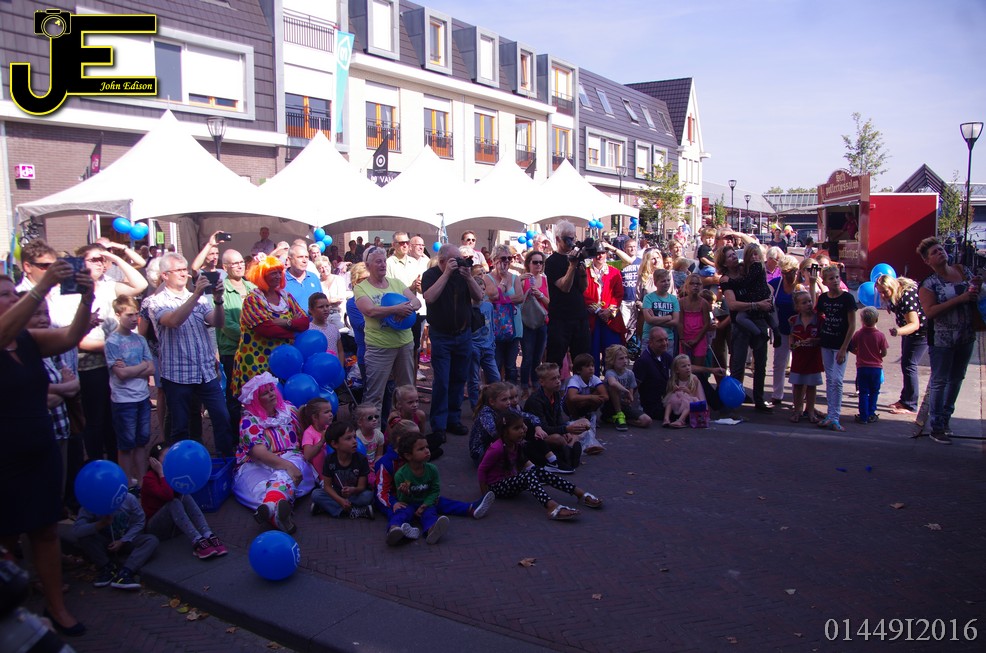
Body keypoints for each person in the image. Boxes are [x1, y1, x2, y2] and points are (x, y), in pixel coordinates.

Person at [1, 262, 94, 636]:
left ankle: (56, 608)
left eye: (14, 292)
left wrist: (87, 298)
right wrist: (41, 288)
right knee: (6, 539)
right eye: (4, 295)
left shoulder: (27, 339)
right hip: (4, 457)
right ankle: (12, 613)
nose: (13, 298)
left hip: (40, 449)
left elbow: (71, 336)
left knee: (46, 531)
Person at [146, 253, 234, 456]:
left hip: (205, 371)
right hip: (178, 374)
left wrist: (218, 300)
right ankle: (182, 466)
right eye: (178, 270)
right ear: (165, 275)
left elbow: (217, 322)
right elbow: (173, 321)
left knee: (222, 417)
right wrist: (195, 295)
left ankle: (226, 461)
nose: (184, 274)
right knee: (180, 426)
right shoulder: (157, 302)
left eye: (184, 269)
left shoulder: (200, 299)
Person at [74, 243, 148, 464]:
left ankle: (117, 467)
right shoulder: (74, 291)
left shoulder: (109, 286)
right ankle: (97, 464)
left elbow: (141, 284)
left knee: (113, 418)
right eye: (94, 259)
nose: (100, 263)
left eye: (102, 259)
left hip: (117, 361)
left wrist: (114, 257)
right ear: (81, 263)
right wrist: (113, 346)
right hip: (92, 364)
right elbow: (77, 338)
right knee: (95, 419)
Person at [477, 411, 602, 522]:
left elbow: (522, 462)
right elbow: (481, 470)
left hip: (510, 481)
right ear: (504, 432)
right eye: (516, 428)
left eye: (522, 427)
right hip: (497, 488)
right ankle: (551, 506)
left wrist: (535, 474)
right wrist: (485, 496)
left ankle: (579, 493)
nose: (522, 431)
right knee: (529, 475)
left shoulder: (516, 444)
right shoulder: (497, 448)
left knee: (539, 471)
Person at [916, 237, 981, 444]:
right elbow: (929, 312)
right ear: (927, 261)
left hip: (966, 335)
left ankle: (945, 419)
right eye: (934, 252)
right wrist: (960, 299)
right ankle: (936, 426)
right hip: (942, 340)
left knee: (957, 378)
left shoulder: (962, 270)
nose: (940, 253)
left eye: (940, 249)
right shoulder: (929, 284)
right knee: (940, 381)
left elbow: (974, 291)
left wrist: (976, 288)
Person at [233, 373, 316, 533]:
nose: (271, 394)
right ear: (255, 400)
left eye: (272, 389)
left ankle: (270, 507)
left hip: (291, 457)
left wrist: (289, 466)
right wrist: (288, 467)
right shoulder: (249, 421)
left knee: (284, 475)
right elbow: (259, 453)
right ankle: (277, 513)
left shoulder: (289, 410)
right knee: (257, 487)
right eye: (265, 393)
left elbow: (304, 434)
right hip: (257, 464)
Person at [423, 244, 484, 443]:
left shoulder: (463, 275)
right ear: (442, 261)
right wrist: (447, 274)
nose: (458, 263)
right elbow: (429, 297)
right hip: (441, 335)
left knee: (459, 378)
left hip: (463, 334)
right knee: (442, 380)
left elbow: (479, 297)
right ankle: (439, 425)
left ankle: (453, 419)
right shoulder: (431, 275)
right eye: (454, 260)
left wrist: (468, 277)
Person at [230, 255, 310, 398]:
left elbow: (304, 322)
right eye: (273, 273)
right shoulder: (252, 300)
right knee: (260, 401)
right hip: (257, 362)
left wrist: (285, 322)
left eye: (279, 272)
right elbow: (266, 329)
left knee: (283, 400)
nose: (278, 276)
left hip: (284, 361)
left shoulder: (286, 297)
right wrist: (293, 330)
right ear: (262, 275)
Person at [354, 246, 421, 407]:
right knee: (375, 394)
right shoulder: (361, 288)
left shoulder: (396, 283)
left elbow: (417, 302)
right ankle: (373, 424)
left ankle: (405, 422)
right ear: (368, 265)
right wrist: (396, 309)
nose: (383, 264)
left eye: (384, 261)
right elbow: (370, 310)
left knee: (406, 391)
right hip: (379, 347)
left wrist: (407, 308)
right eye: (378, 262)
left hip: (404, 343)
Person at [142, 443, 227, 559]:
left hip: (175, 525)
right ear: (154, 462)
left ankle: (207, 533)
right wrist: (161, 473)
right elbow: (167, 496)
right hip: (156, 529)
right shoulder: (149, 478)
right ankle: (196, 540)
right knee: (174, 502)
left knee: (184, 494)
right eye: (165, 457)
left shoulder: (174, 472)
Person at [105, 296, 154, 488]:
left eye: (136, 314)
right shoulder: (112, 341)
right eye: (129, 315)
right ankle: (125, 483)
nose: (134, 319)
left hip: (143, 397)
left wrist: (132, 368)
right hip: (123, 400)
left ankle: (142, 482)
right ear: (118, 315)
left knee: (141, 441)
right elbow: (121, 374)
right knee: (126, 444)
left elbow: (151, 368)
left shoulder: (140, 339)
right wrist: (141, 366)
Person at [719, 245, 772, 412]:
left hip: (759, 319)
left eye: (734, 254)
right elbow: (733, 305)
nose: (734, 257)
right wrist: (756, 304)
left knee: (760, 362)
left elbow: (766, 285)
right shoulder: (725, 279)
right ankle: (735, 400)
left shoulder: (747, 269)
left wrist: (767, 297)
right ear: (724, 263)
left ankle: (759, 399)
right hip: (740, 324)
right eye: (730, 256)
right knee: (738, 363)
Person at [73, 492, 158, 591]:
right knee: (84, 537)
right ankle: (106, 567)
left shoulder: (129, 498)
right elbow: (77, 530)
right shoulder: (90, 502)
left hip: (126, 540)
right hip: (103, 542)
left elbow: (139, 522)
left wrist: (123, 540)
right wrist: (100, 524)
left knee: (151, 540)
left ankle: (126, 572)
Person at [386, 430, 450, 545]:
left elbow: (435, 490)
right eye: (421, 449)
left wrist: (425, 504)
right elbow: (403, 500)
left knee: (430, 514)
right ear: (408, 455)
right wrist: (405, 493)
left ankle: (431, 531)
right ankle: (394, 529)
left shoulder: (432, 469)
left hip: (426, 502)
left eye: (427, 447)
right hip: (410, 504)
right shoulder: (401, 474)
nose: (427, 451)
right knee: (402, 513)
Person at [874, 275, 927, 414]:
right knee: (906, 364)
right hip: (909, 333)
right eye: (880, 292)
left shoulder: (906, 297)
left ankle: (910, 405)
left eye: (885, 291)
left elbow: (914, 324)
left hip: (920, 333)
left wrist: (898, 331)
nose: (882, 295)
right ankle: (905, 399)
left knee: (909, 365)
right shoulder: (896, 293)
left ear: (892, 287)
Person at [814, 265, 857, 432]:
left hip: (840, 344)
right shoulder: (824, 298)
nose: (835, 281)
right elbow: (816, 313)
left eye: (837, 277)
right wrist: (812, 284)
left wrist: (844, 347)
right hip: (826, 342)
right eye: (831, 278)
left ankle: (835, 416)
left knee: (837, 380)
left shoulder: (847, 298)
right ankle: (830, 414)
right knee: (830, 379)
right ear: (825, 281)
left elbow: (852, 325)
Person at [523, 362, 586, 471]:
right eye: (553, 379)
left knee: (583, 424)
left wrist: (566, 431)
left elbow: (558, 417)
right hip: (538, 436)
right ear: (542, 382)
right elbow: (543, 428)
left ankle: (569, 451)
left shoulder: (555, 394)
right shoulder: (535, 401)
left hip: (554, 429)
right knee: (558, 438)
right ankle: (568, 454)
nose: (558, 381)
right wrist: (565, 429)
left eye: (558, 377)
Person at [219, 249, 256, 432]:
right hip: (232, 352)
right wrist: (252, 334)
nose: (240, 265)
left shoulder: (252, 288)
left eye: (241, 261)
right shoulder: (221, 291)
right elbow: (226, 324)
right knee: (234, 396)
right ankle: (235, 436)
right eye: (235, 263)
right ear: (225, 267)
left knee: (255, 392)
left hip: (254, 351)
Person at [544, 219, 590, 367]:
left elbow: (583, 288)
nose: (572, 242)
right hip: (560, 318)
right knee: (555, 359)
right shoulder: (552, 262)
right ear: (558, 239)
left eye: (573, 238)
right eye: (568, 239)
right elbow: (564, 287)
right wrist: (571, 266)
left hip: (579, 316)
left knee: (582, 360)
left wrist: (582, 273)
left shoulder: (578, 259)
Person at [310, 421, 375, 519]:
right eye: (348, 438)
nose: (354, 441)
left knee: (368, 496)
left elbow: (361, 486)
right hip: (337, 493)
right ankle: (355, 511)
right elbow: (327, 486)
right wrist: (340, 500)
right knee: (316, 494)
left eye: (354, 437)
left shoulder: (361, 459)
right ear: (335, 444)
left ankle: (327, 507)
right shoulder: (329, 460)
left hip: (354, 494)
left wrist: (353, 490)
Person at [584, 245, 625, 375]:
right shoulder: (585, 272)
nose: (600, 256)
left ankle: (614, 380)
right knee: (592, 352)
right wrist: (598, 310)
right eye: (597, 253)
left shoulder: (615, 272)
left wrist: (608, 311)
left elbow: (619, 295)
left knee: (613, 352)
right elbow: (584, 294)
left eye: (602, 252)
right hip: (592, 318)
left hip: (610, 319)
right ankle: (593, 381)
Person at [768, 256, 801, 407]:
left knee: (798, 365)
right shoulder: (776, 283)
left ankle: (797, 396)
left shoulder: (800, 286)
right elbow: (766, 297)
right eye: (785, 272)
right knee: (779, 363)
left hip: (798, 331)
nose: (788, 276)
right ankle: (777, 394)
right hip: (781, 328)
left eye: (792, 272)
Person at [468, 262, 501, 413]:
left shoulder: (488, 306)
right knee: (474, 380)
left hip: (488, 347)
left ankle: (495, 405)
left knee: (495, 378)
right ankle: (476, 409)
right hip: (474, 347)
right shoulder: (468, 307)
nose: (481, 292)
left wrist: (492, 343)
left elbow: (492, 326)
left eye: (483, 289)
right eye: (477, 289)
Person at [788, 290, 823, 423]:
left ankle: (811, 411)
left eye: (809, 301)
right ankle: (797, 410)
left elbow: (823, 338)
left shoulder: (818, 319)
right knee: (797, 385)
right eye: (804, 302)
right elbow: (791, 336)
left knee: (811, 385)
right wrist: (792, 344)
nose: (808, 304)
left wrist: (815, 340)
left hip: (813, 357)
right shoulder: (793, 320)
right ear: (797, 306)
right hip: (799, 358)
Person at [850, 307, 888, 424]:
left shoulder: (858, 334)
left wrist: (859, 353)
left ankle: (863, 416)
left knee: (863, 392)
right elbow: (884, 352)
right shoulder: (880, 335)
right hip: (876, 368)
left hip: (862, 367)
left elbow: (851, 347)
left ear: (862, 320)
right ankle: (871, 413)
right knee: (874, 391)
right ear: (876, 320)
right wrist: (878, 355)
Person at [564, 353, 608, 454]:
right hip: (572, 406)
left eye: (592, 366)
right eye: (587, 366)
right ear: (579, 370)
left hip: (585, 404)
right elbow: (572, 397)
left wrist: (590, 399)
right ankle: (574, 417)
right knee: (570, 398)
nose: (591, 368)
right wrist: (591, 397)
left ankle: (589, 414)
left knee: (599, 395)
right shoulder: (575, 380)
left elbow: (605, 396)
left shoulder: (594, 378)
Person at [519, 249, 550, 393]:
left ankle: (536, 383)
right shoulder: (522, 279)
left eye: (541, 262)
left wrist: (540, 295)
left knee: (538, 357)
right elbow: (517, 300)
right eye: (535, 262)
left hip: (542, 322)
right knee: (527, 357)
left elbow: (550, 304)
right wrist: (519, 282)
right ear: (528, 264)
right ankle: (524, 385)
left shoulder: (545, 280)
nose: (538, 265)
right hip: (527, 322)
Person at [603, 344, 651, 431]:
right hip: (610, 405)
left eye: (626, 358)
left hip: (624, 405)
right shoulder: (610, 372)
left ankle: (621, 420)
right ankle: (618, 414)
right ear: (612, 361)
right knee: (614, 387)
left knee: (646, 421)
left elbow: (631, 395)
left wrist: (629, 398)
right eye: (621, 359)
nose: (625, 361)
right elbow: (613, 383)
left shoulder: (630, 373)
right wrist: (626, 391)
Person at [634, 327, 674, 422]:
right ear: (650, 342)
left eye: (666, 339)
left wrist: (707, 369)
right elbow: (634, 386)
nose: (665, 343)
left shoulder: (664, 356)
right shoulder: (643, 361)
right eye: (660, 341)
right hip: (651, 408)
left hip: (664, 401)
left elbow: (681, 366)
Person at [641, 268, 679, 353]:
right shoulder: (648, 298)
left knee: (666, 361)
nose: (667, 283)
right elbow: (648, 320)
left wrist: (655, 319)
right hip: (649, 337)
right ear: (655, 283)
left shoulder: (673, 299)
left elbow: (675, 322)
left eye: (668, 280)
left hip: (667, 338)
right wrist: (668, 317)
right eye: (663, 281)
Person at [662, 355, 704, 428]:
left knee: (689, 402)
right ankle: (666, 419)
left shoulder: (693, 379)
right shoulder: (674, 379)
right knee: (671, 399)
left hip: (691, 401)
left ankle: (681, 420)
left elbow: (694, 395)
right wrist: (674, 390)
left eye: (689, 365)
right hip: (678, 401)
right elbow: (669, 392)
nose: (687, 368)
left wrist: (688, 391)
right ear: (677, 370)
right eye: (684, 366)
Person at [299, 396, 335, 480]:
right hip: (320, 476)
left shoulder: (329, 427)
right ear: (315, 417)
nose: (331, 414)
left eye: (330, 411)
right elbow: (307, 455)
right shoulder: (309, 433)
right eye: (326, 412)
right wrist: (322, 441)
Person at [678, 273, 711, 365]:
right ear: (686, 286)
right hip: (685, 337)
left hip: (699, 338)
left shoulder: (704, 303)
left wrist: (696, 339)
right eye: (692, 283)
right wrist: (682, 339)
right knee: (684, 365)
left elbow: (707, 323)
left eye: (698, 284)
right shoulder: (681, 302)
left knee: (698, 367)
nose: (695, 286)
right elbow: (680, 322)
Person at [307, 292, 345, 369]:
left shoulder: (334, 328)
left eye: (327, 306)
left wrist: (341, 367)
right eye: (321, 307)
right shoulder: (308, 330)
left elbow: (340, 351)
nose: (325, 309)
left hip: (335, 369)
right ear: (311, 310)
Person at [284, 244, 322, 311]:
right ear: (290, 259)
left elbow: (322, 302)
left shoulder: (313, 278)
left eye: (306, 257)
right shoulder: (281, 280)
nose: (304, 261)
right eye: (300, 257)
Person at [315, 256, 347, 330]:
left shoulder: (339, 279)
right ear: (318, 270)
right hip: (323, 317)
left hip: (338, 314)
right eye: (321, 268)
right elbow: (317, 301)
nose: (324, 269)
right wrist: (331, 300)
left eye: (326, 266)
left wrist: (324, 302)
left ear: (330, 266)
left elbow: (340, 298)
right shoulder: (318, 283)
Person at [353, 403, 386, 474]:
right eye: (370, 418)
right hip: (359, 465)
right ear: (360, 422)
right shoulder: (356, 437)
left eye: (376, 416)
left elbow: (379, 455)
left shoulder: (379, 435)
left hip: (374, 464)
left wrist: (376, 464)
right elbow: (354, 458)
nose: (374, 419)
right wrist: (366, 466)